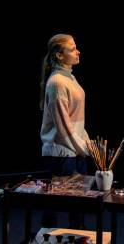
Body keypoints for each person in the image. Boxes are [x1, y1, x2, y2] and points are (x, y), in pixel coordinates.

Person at [39, 34, 90, 228]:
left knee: (79, 205)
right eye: (72, 49)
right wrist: (83, 147)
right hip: (61, 154)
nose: (78, 51)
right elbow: (63, 125)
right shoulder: (57, 82)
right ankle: (46, 239)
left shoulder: (69, 77)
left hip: (74, 150)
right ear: (59, 55)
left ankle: (77, 238)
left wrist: (86, 142)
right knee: (54, 204)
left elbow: (76, 121)